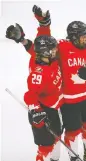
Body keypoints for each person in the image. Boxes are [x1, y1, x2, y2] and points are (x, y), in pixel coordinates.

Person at [23, 5, 86, 161]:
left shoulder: (84, 48)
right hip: (68, 100)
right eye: (83, 37)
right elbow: (42, 47)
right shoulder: (61, 46)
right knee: (73, 130)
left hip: (85, 95)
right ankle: (74, 156)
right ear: (73, 37)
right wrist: (40, 28)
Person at [5, 9, 62, 161]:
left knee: (56, 137)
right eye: (53, 50)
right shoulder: (38, 73)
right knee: (45, 146)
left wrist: (44, 24)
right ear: (44, 54)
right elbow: (29, 95)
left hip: (53, 107)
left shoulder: (46, 56)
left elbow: (42, 40)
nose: (56, 51)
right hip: (42, 112)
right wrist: (36, 111)